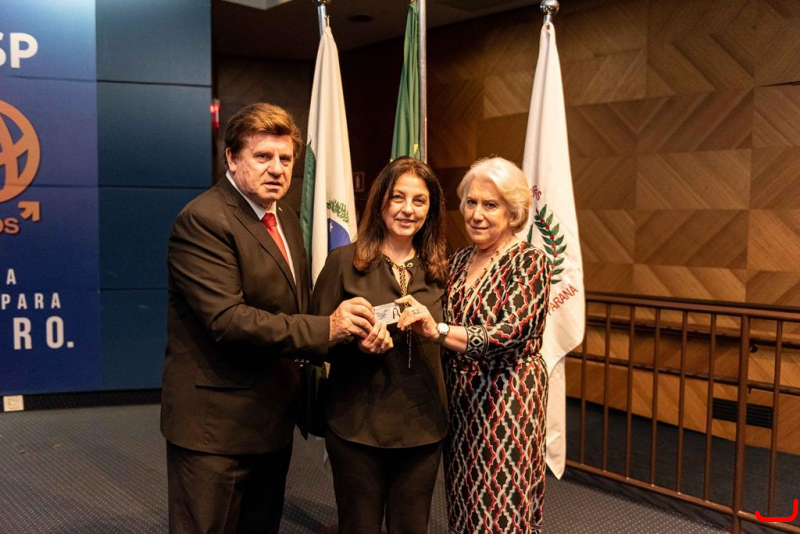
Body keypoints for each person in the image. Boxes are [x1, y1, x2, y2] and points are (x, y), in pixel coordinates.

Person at [161, 103, 379, 534]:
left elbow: (293, 309)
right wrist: (328, 328)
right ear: (232, 158)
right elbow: (228, 320)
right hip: (216, 428)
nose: (277, 169)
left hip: (271, 419)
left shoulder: (285, 219)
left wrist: (359, 328)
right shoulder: (203, 220)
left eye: (285, 158)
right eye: (263, 156)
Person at [397, 157, 552, 533]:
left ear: (513, 212)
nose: (477, 214)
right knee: (464, 500)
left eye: (490, 205)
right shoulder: (459, 260)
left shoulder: (530, 261)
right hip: (460, 402)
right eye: (471, 202)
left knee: (501, 505)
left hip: (507, 403)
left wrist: (438, 331)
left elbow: (509, 333)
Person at [311, 157, 449, 533]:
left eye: (419, 201)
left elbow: (452, 339)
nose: (408, 209)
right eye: (397, 197)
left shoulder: (441, 270)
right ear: (380, 201)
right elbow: (314, 340)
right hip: (356, 426)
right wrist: (357, 346)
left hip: (422, 428)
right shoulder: (344, 262)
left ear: (431, 209)